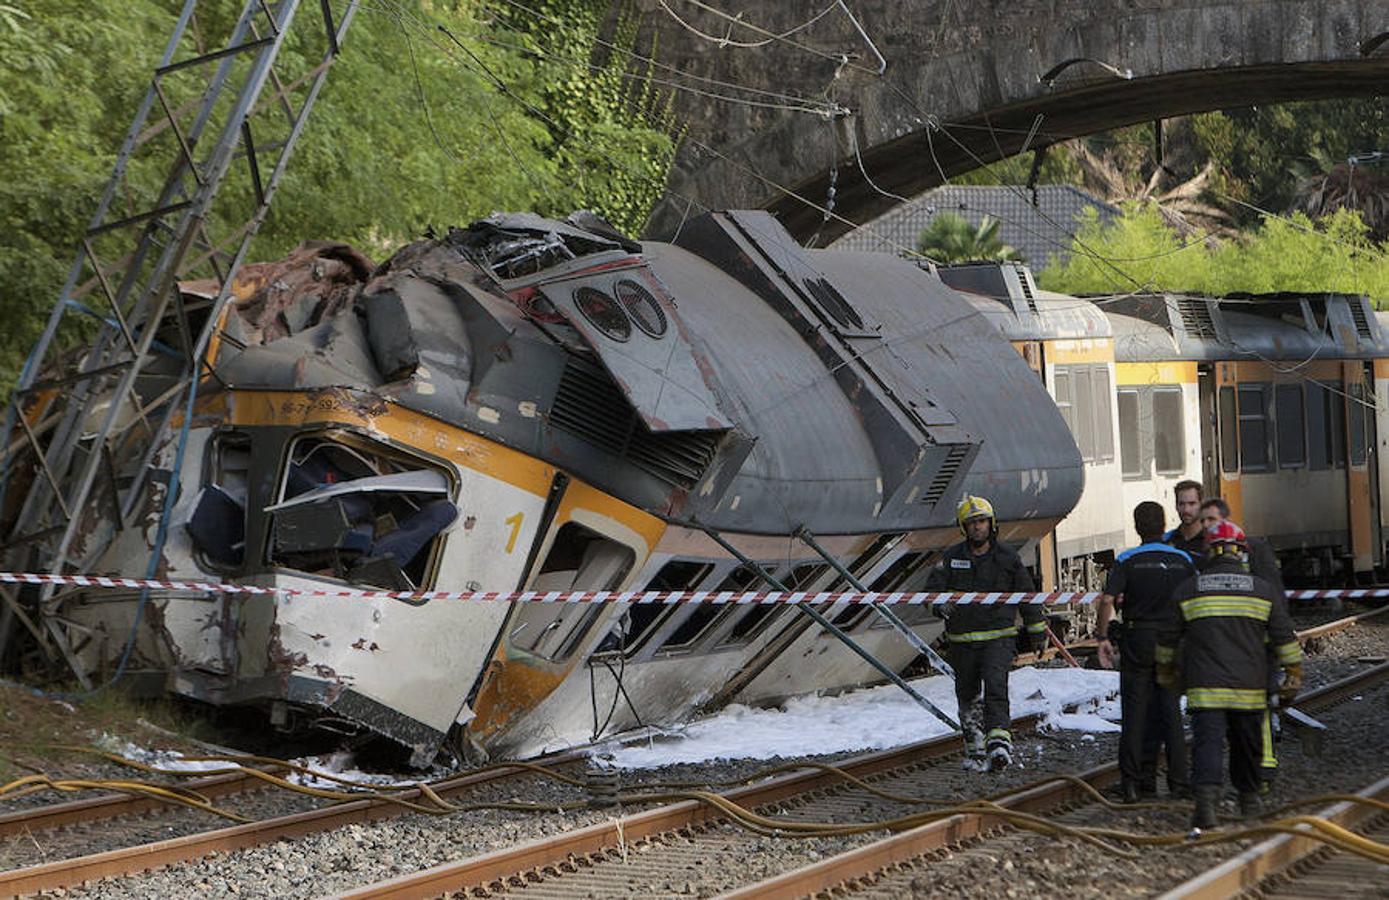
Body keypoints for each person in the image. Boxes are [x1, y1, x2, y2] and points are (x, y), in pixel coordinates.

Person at [1157, 520, 1303, 830]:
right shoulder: (1262, 591)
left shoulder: (1188, 590)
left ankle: (1206, 808)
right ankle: (1248, 802)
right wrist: (1293, 672)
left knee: (1207, 744)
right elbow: (1283, 637)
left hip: (1204, 688)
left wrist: (1167, 672)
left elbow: (1167, 639)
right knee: (1247, 744)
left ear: (1208, 552)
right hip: (1248, 687)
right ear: (1242, 554)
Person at [928, 495, 1046, 772]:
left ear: (991, 524)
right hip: (962, 642)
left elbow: (1027, 595)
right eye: (971, 523)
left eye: (981, 521)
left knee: (996, 689)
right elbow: (930, 591)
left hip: (999, 638)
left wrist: (1037, 632)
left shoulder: (1007, 558)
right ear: (963, 527)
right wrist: (938, 604)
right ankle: (975, 747)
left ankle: (999, 746)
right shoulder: (951, 558)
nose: (977, 527)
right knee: (967, 695)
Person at [1095, 501, 1195, 803]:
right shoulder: (1183, 559)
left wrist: (1102, 637)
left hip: (1138, 639)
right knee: (1170, 713)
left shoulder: (1128, 559)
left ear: (1137, 527)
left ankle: (1132, 785)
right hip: (1171, 641)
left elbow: (1107, 600)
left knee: (1135, 713)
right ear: (1164, 525)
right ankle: (1179, 782)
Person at [1198, 496, 1286, 791]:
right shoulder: (1205, 557)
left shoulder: (1257, 553)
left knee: (1256, 715)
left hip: (1255, 649)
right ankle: (1250, 781)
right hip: (1229, 651)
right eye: (1204, 521)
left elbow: (1275, 601)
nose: (1207, 526)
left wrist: (1279, 646)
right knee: (1239, 721)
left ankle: (1262, 772)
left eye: (1212, 520)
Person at [1164, 480, 1207, 557]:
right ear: (1176, 506)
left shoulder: (1211, 540)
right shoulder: (1166, 540)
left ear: (1202, 505)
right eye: (1181, 504)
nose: (1186, 510)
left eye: (1192, 504)